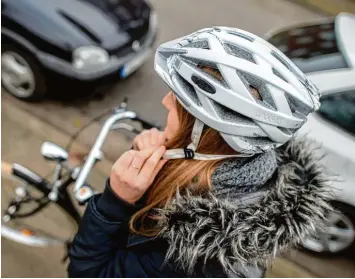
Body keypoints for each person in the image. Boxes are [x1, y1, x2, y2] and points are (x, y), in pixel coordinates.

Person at [68, 27, 332, 277]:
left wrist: (116, 201)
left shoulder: (190, 261)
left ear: (203, 134)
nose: (165, 101)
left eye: (179, 102)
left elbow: (89, 272)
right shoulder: (244, 167)